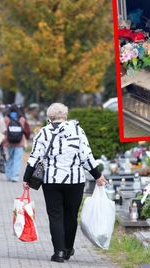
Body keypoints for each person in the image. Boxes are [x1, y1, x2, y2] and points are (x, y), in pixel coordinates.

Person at [23, 103, 107, 263]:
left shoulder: (43, 132)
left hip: (51, 181)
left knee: (55, 215)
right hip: (75, 181)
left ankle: (59, 252)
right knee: (71, 216)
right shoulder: (77, 131)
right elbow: (86, 156)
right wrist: (97, 175)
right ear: (65, 116)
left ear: (49, 117)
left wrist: (26, 179)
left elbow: (34, 157)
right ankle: (68, 248)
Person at [4, 104, 29, 182]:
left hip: (9, 142)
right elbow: (26, 131)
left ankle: (8, 175)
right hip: (19, 142)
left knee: (10, 158)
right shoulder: (22, 119)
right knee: (17, 159)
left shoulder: (6, 119)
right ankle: (15, 176)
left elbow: (3, 131)